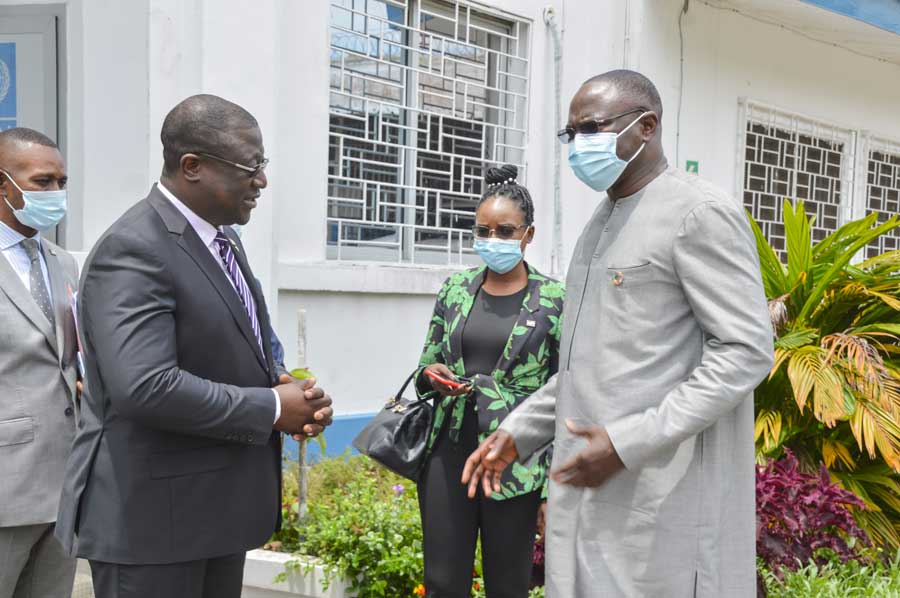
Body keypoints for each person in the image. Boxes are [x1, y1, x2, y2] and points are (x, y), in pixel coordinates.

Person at [463, 70, 774, 597]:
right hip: (590, 492)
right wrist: (521, 430)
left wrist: (629, 442)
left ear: (646, 126)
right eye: (571, 134)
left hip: (661, 501)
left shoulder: (698, 214)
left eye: (591, 128)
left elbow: (745, 352)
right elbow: (587, 364)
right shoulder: (600, 223)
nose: (578, 145)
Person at [54, 94, 334, 598]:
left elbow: (235, 338)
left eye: (263, 164)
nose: (262, 181)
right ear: (192, 167)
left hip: (213, 514)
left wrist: (285, 387)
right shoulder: (134, 248)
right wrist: (272, 408)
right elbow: (144, 386)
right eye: (250, 166)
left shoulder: (222, 239)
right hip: (152, 525)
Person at [416, 164, 565, 597]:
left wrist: (549, 488)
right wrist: (432, 375)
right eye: (483, 231)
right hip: (449, 449)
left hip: (516, 456)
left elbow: (564, 393)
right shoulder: (455, 289)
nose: (492, 240)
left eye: (504, 231)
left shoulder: (555, 299)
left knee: (508, 584)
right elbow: (427, 363)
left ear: (528, 234)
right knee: (442, 581)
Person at [0, 128, 79, 598]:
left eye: (61, 182)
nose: (55, 193)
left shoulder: (63, 262)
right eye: (42, 182)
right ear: (3, 184)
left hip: (64, 485)